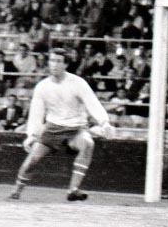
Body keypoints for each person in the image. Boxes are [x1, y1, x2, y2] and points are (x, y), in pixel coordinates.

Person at [9, 47, 115, 202]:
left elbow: (93, 103)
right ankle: (16, 192)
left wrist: (104, 122)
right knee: (31, 161)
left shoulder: (78, 83)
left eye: (59, 61)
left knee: (88, 143)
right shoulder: (42, 87)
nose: (55, 64)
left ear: (65, 64)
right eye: (52, 60)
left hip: (76, 128)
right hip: (52, 129)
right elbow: (36, 114)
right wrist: (31, 135)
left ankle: (73, 190)